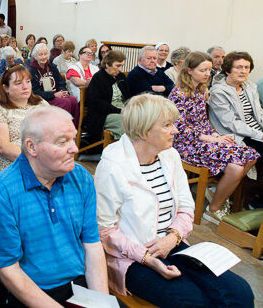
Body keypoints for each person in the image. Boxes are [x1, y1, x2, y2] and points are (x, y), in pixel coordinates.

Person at [95, 94, 254, 307]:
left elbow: (186, 208)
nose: (176, 130)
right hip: (133, 256)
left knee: (240, 292)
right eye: (167, 125)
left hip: (172, 244)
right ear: (145, 130)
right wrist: (146, 256)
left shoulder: (170, 155)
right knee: (193, 301)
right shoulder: (113, 166)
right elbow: (105, 230)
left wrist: (173, 237)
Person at [0, 106, 108, 306]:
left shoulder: (81, 177)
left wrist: (102, 303)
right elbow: (8, 270)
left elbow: (92, 244)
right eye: (62, 142)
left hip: (78, 286)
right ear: (32, 147)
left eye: (73, 138)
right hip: (30, 290)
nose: (75, 148)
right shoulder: (2, 192)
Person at [169, 52, 259, 224]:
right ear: (189, 70)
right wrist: (211, 139)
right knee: (235, 168)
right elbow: (179, 128)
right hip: (186, 144)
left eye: (209, 70)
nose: (207, 74)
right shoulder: (179, 94)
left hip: (203, 140)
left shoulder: (200, 91)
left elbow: (203, 122)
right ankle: (213, 209)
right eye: (202, 70)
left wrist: (218, 135)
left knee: (251, 155)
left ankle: (217, 192)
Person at [0, 65, 48, 179]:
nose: (25, 87)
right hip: (13, 168)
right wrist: (37, 160)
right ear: (6, 88)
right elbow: (3, 147)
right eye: (18, 83)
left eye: (28, 81)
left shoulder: (41, 103)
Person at [209, 52, 263, 156]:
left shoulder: (250, 87)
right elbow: (231, 124)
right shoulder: (218, 92)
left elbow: (259, 113)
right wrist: (259, 135)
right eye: (238, 67)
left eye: (247, 67)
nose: (243, 71)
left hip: (257, 131)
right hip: (240, 135)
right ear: (228, 71)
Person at [28, 43, 79, 127]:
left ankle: (74, 130)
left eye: (45, 54)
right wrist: (54, 95)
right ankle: (62, 130)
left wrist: (62, 91)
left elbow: (61, 82)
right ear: (35, 56)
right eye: (40, 54)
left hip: (56, 94)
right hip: (43, 98)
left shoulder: (51, 66)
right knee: (65, 102)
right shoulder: (31, 70)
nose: (44, 57)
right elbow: (35, 92)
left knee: (73, 100)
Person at [84, 50, 131, 140]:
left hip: (122, 110)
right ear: (107, 64)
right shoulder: (98, 78)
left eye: (122, 66)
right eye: (117, 66)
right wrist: (119, 111)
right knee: (125, 122)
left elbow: (128, 96)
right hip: (103, 114)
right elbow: (97, 103)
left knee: (141, 119)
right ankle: (123, 150)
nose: (120, 69)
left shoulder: (121, 77)